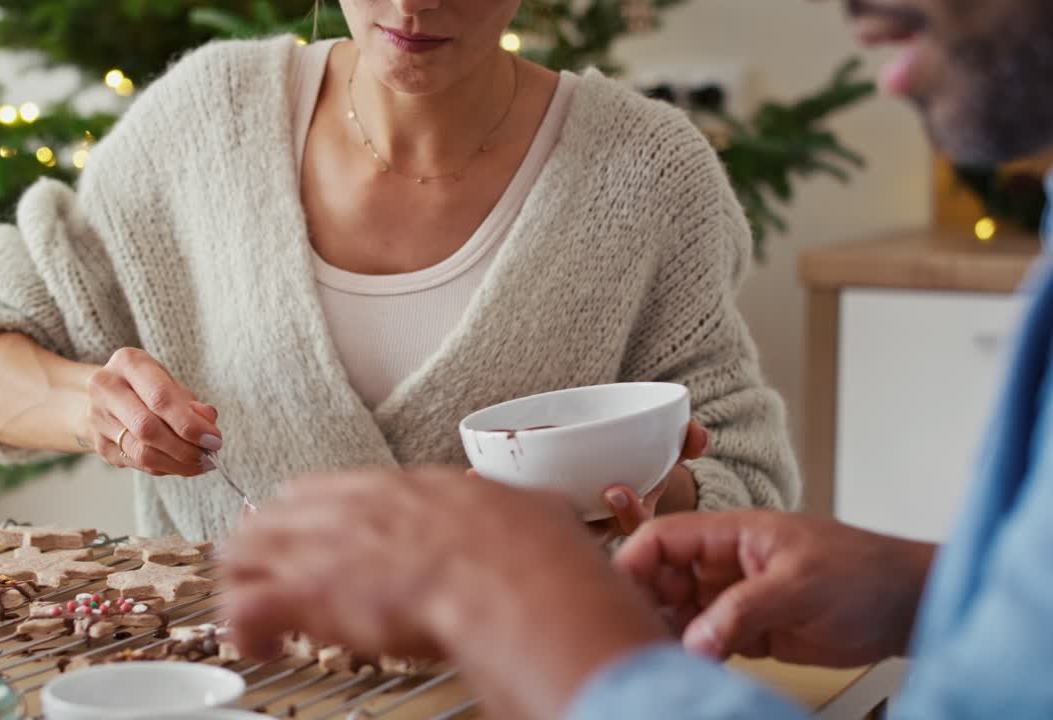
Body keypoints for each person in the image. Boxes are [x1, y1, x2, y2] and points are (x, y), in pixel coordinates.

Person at [223, 0, 1053, 717]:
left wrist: (559, 623)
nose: (855, 17)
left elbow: (738, 458)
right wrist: (933, 588)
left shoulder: (647, 166)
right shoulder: (222, 114)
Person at [0, 0, 799, 540]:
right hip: (231, 681)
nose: (413, 5)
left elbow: (747, 483)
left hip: (529, 682)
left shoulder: (647, 173)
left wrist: (630, 487)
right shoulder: (203, 121)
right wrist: (95, 410)